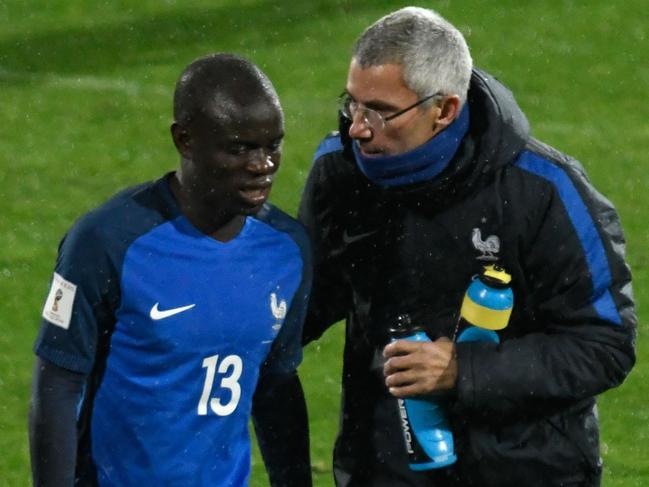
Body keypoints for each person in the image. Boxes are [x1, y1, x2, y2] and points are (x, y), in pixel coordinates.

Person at [299, 6, 636, 487]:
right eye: (353, 103)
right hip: (388, 467)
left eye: (381, 111)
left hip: (528, 470)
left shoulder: (542, 192)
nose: (358, 127)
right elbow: (310, 302)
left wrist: (464, 370)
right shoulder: (341, 174)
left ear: (445, 110)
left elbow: (604, 345)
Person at [29, 53, 312, 487]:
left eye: (272, 145)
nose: (263, 165)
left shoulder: (287, 250)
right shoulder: (107, 241)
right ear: (185, 140)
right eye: (239, 148)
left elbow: (276, 385)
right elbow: (58, 388)